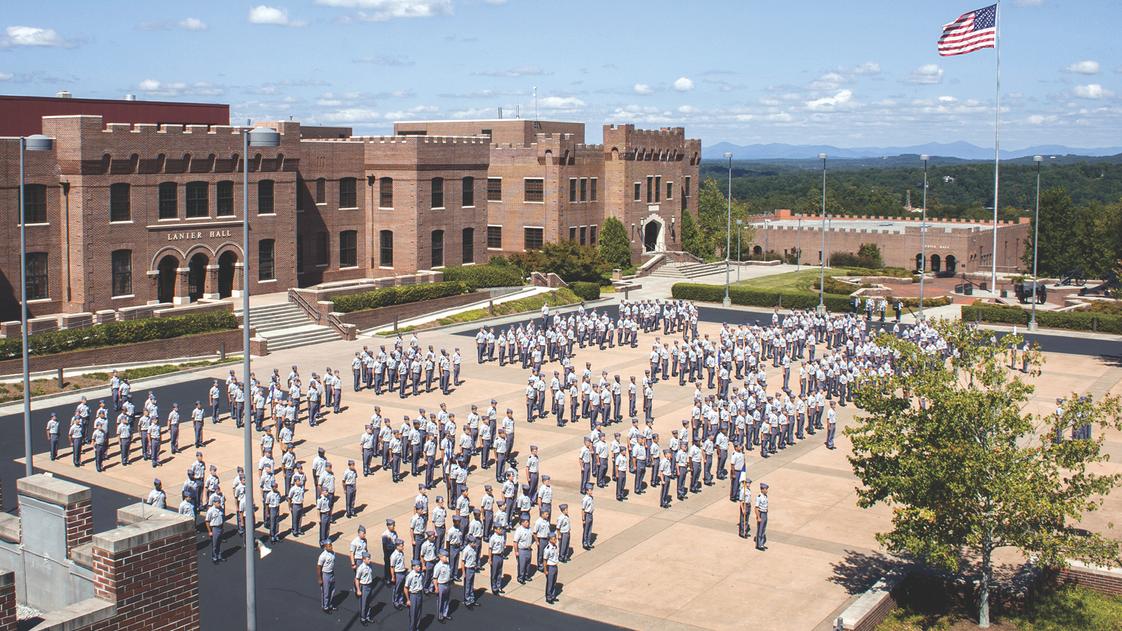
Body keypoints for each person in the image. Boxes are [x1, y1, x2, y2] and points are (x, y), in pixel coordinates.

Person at [404, 559, 425, 631]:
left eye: (420, 566)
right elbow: (405, 588)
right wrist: (408, 600)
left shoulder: (421, 574)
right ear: (413, 567)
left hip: (419, 594)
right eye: (418, 566)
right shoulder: (410, 576)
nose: (419, 567)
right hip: (413, 595)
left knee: (419, 613)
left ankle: (417, 628)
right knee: (413, 614)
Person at [354, 551, 374, 625]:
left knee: (369, 602)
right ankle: (363, 618)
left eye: (369, 558)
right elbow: (357, 579)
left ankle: (367, 616)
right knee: (364, 603)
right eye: (368, 559)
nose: (370, 560)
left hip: (369, 585)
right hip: (364, 586)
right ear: (364, 559)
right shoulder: (361, 568)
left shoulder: (370, 565)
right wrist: (358, 590)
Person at [433, 549, 453, 622]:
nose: (447, 558)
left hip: (447, 584)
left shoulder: (447, 564)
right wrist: (436, 588)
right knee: (441, 601)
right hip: (441, 585)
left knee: (447, 600)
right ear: (441, 557)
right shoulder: (438, 566)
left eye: (447, 557)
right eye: (445, 557)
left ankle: (445, 613)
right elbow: (435, 578)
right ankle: (440, 616)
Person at [317, 540, 337, 614]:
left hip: (331, 573)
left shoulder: (333, 553)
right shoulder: (323, 556)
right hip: (325, 574)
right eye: (329, 546)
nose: (331, 547)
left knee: (332, 590)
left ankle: (329, 604)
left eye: (331, 545)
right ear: (325, 547)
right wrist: (320, 579)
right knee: (326, 592)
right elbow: (318, 567)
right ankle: (325, 607)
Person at [205, 495, 224, 564]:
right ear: (214, 503)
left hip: (220, 527)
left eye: (220, 502)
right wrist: (210, 531)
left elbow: (222, 518)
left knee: (219, 543)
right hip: (214, 528)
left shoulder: (221, 509)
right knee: (215, 544)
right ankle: (214, 557)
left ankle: (219, 556)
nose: (219, 503)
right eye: (218, 502)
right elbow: (207, 521)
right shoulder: (210, 511)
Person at [461, 535, 479, 609]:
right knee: (467, 585)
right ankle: (467, 599)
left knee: (471, 584)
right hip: (468, 569)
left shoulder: (473, 548)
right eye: (474, 542)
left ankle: (472, 599)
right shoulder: (466, 550)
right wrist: (463, 573)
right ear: (470, 543)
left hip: (472, 568)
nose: (475, 544)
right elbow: (462, 562)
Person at [543, 531, 560, 604]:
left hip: (555, 566)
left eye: (555, 538)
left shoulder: (555, 546)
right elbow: (544, 560)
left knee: (554, 582)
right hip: (550, 567)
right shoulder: (547, 549)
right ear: (550, 540)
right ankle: (548, 597)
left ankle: (553, 595)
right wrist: (545, 570)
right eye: (554, 539)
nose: (555, 540)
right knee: (550, 583)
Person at [755, 482, 769, 551]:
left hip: (765, 513)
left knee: (763, 529)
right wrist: (758, 517)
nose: (767, 490)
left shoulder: (765, 496)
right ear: (762, 489)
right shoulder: (759, 497)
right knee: (760, 530)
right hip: (761, 514)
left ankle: (762, 543)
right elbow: (756, 508)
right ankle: (759, 545)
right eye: (766, 489)